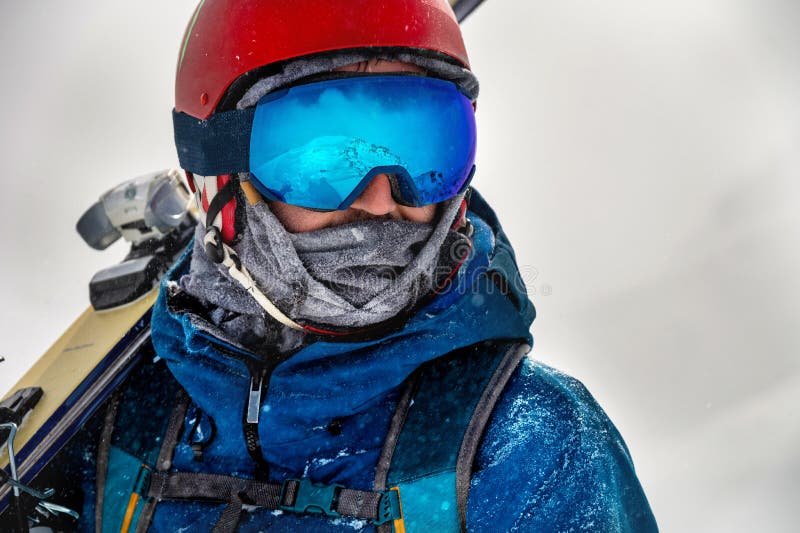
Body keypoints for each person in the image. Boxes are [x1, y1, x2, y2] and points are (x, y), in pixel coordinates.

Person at [82, 1, 658, 531]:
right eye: (323, 160)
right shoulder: (117, 421)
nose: (381, 200)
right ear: (216, 182)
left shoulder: (529, 450)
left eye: (423, 153)